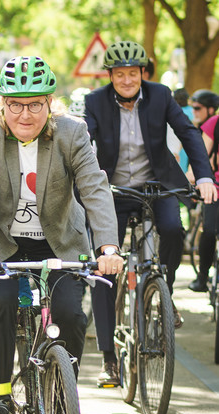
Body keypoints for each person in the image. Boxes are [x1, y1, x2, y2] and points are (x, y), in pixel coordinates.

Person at [0, 56, 123, 414]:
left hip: (59, 241)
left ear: (50, 103)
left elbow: (94, 188)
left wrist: (108, 248)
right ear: (3, 105)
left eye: (35, 103)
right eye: (16, 104)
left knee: (71, 315)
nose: (26, 114)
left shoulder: (71, 132)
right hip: (0, 243)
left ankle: (62, 392)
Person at [84, 40, 218, 386]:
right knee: (104, 267)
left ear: (143, 73)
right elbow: (85, 145)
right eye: (119, 74)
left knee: (173, 230)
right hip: (111, 191)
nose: (127, 80)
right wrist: (80, 186)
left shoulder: (160, 96)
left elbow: (188, 133)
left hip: (155, 185)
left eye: (133, 73)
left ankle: (164, 292)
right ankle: (109, 358)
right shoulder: (95, 102)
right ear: (110, 75)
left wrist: (203, 175)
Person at [189, 89, 219, 293]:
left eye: (197, 108)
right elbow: (200, 158)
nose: (194, 112)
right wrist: (189, 181)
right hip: (215, 188)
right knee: (209, 230)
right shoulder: (214, 123)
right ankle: (203, 276)